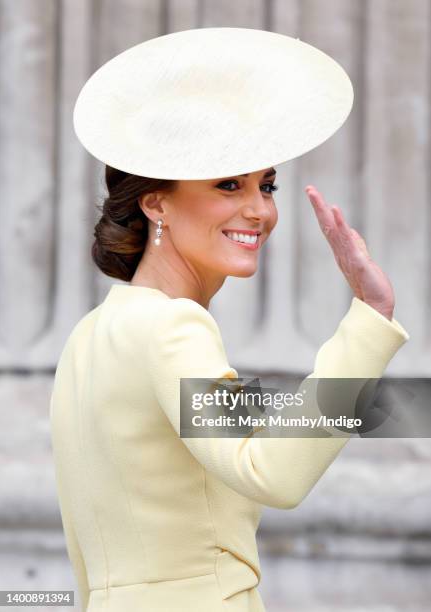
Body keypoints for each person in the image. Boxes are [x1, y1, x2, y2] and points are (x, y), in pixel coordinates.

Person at [50, 28, 410, 612]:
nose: (260, 210)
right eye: (227, 184)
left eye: (265, 185)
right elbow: (271, 469)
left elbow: (262, 425)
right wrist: (371, 320)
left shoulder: (90, 338)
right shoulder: (173, 329)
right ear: (156, 201)